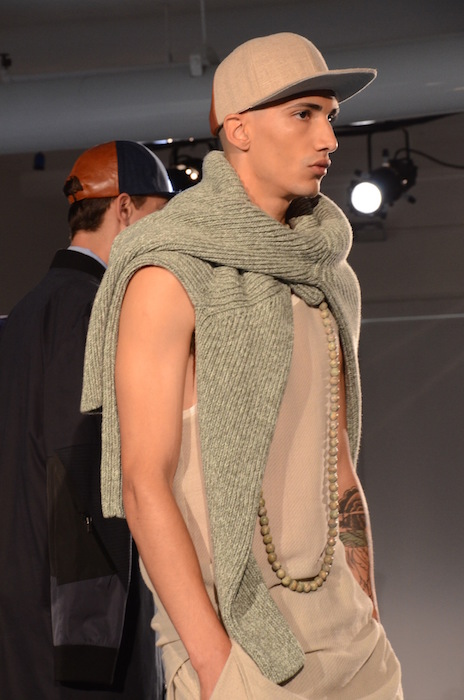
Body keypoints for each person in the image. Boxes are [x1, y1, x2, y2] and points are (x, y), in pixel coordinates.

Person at [81, 34, 403, 699]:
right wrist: (214, 665)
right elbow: (143, 483)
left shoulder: (325, 275)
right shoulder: (169, 272)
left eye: (330, 116)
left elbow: (337, 461)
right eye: (303, 114)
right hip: (245, 651)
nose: (329, 138)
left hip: (355, 648)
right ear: (239, 129)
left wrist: (368, 608)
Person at [0, 140, 175, 699]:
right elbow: (81, 472)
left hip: (24, 625)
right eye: (158, 217)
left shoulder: (21, 317)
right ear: (123, 208)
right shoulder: (95, 313)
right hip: (83, 645)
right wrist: (90, 647)